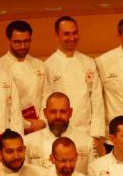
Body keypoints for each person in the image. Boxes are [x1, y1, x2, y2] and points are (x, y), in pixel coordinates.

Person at [45, 16, 106, 156]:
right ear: (57, 36)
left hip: (86, 132)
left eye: (75, 33)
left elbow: (96, 99)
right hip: (59, 132)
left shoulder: (88, 62)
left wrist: (96, 134)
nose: (72, 37)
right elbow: (47, 104)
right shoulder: (48, 66)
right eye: (67, 34)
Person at [0, 20, 48, 135]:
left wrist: (42, 121)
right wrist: (26, 124)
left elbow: (46, 95)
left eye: (26, 41)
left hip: (39, 127)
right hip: (13, 129)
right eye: (17, 42)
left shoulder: (39, 64)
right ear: (8, 40)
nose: (22, 46)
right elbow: (1, 106)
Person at [24, 92, 92, 174]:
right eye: (53, 112)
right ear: (45, 113)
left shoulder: (87, 142)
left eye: (63, 111)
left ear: (70, 113)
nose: (58, 116)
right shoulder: (28, 142)